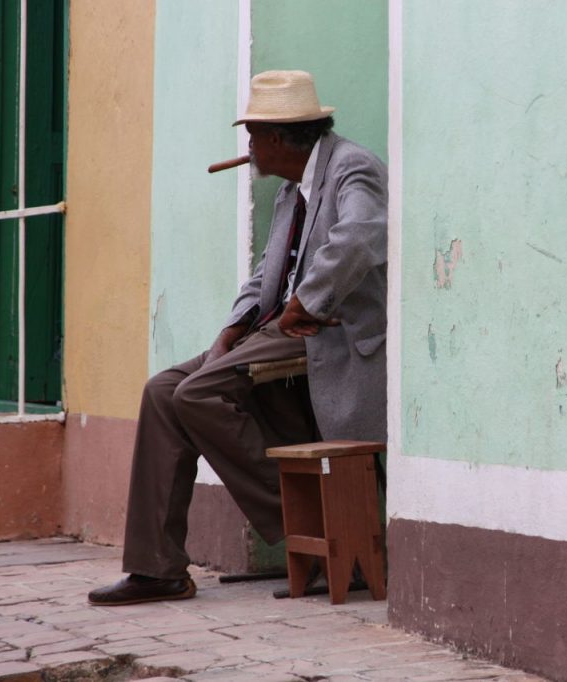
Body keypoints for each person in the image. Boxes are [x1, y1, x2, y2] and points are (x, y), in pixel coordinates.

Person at [88, 70, 387, 606]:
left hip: (324, 331)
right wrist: (234, 325)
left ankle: (316, 528)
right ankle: (157, 569)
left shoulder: (351, 168)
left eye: (251, 135)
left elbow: (361, 236)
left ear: (276, 137)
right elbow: (266, 272)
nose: (248, 147)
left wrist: (305, 302)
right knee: (163, 391)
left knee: (197, 393)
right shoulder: (292, 189)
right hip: (276, 325)